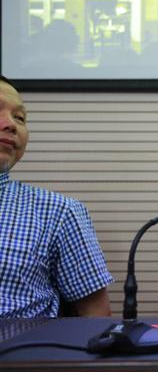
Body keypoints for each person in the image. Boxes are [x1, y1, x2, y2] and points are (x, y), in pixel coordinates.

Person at [0, 76, 113, 318]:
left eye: (19, 118)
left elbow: (95, 317)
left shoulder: (58, 212)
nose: (11, 125)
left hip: (22, 341)